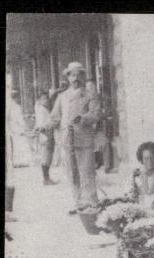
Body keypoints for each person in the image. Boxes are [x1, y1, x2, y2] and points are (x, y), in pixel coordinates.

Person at [49, 62, 102, 211]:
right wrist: (46, 125)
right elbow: (55, 117)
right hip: (67, 140)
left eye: (79, 75)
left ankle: (92, 203)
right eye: (72, 75)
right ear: (67, 77)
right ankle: (78, 203)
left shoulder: (89, 94)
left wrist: (83, 118)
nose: (76, 78)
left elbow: (96, 114)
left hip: (84, 139)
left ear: (83, 77)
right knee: (72, 174)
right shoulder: (62, 96)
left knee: (87, 172)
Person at [124, 141, 154, 213]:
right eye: (146, 158)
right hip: (139, 211)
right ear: (141, 159)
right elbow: (129, 195)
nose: (150, 161)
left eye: (153, 158)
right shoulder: (135, 174)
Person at [33, 91, 57, 185]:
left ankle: (47, 178)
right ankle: (46, 179)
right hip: (45, 135)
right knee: (46, 157)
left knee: (48, 156)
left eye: (47, 98)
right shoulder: (41, 110)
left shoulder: (44, 109)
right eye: (43, 98)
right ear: (39, 100)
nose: (46, 100)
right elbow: (42, 125)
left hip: (47, 134)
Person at [9, 91, 32, 168]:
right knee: (22, 144)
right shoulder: (16, 107)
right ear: (16, 97)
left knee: (15, 145)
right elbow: (20, 119)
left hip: (13, 128)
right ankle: (23, 162)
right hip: (18, 128)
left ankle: (16, 162)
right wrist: (25, 127)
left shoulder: (9, 106)